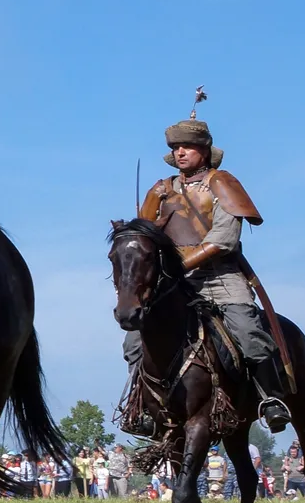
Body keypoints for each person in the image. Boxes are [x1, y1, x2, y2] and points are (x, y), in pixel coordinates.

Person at [124, 114, 290, 435]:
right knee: (135, 338)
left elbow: (223, 240)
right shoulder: (162, 189)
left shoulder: (222, 183)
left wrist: (178, 265)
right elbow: (145, 237)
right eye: (176, 147)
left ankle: (270, 399)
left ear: (204, 149)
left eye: (187, 146)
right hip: (175, 284)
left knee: (247, 331)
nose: (180, 152)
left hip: (219, 277)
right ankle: (142, 406)